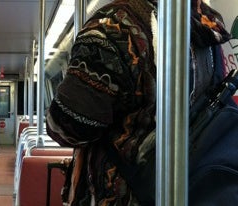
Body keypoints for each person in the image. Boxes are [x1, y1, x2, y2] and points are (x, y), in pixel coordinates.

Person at [45, 0, 231, 205]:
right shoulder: (205, 26)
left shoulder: (112, 27)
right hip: (194, 186)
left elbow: (69, 126)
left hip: (125, 194)